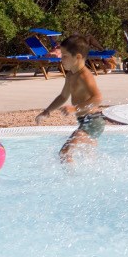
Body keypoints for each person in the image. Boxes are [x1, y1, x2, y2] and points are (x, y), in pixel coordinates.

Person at [35, 35, 104, 163]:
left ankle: (72, 180)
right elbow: (63, 96)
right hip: (84, 121)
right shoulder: (71, 75)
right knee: (87, 157)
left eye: (65, 55)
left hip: (93, 121)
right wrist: (47, 111)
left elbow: (98, 97)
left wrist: (74, 108)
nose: (61, 59)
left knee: (65, 152)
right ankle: (88, 177)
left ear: (77, 57)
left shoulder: (85, 76)